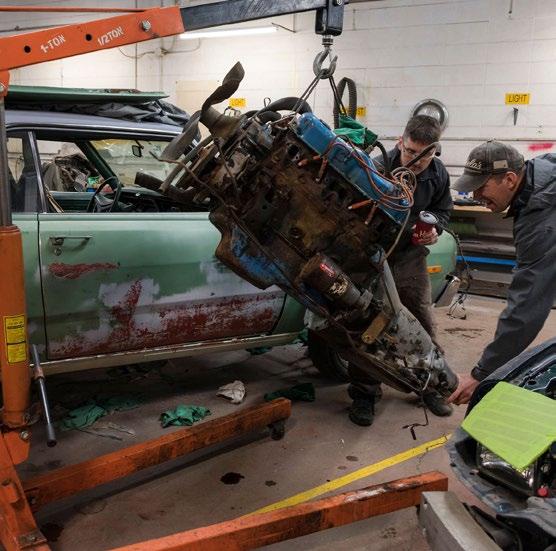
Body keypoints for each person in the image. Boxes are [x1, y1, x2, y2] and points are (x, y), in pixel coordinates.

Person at [347, 114, 454, 426]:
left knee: (422, 320)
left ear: (435, 151)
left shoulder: (438, 174)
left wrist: (435, 230)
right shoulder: (377, 166)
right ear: (400, 142)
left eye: (425, 155)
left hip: (410, 256)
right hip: (372, 255)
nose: (416, 162)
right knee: (368, 323)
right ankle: (365, 394)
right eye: (410, 152)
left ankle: (430, 387)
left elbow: (443, 211)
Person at [448, 141, 556, 405]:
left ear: (509, 179)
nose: (475, 196)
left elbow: (526, 306)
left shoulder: (540, 221)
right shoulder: (543, 172)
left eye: (481, 187)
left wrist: (482, 373)